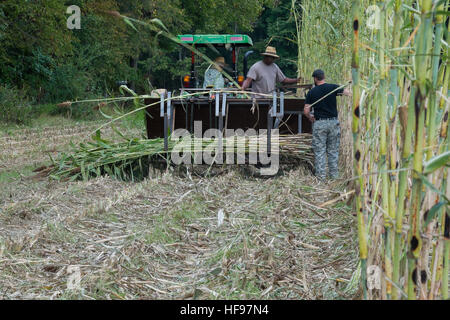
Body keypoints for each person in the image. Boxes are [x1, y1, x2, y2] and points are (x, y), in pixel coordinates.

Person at [303, 69, 351, 181]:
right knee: (333, 150)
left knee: (320, 151)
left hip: (319, 123)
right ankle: (334, 177)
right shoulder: (332, 87)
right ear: (323, 77)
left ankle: (321, 178)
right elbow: (348, 93)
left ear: (315, 78)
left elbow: (306, 111)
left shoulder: (312, 92)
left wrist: (311, 118)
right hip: (333, 122)